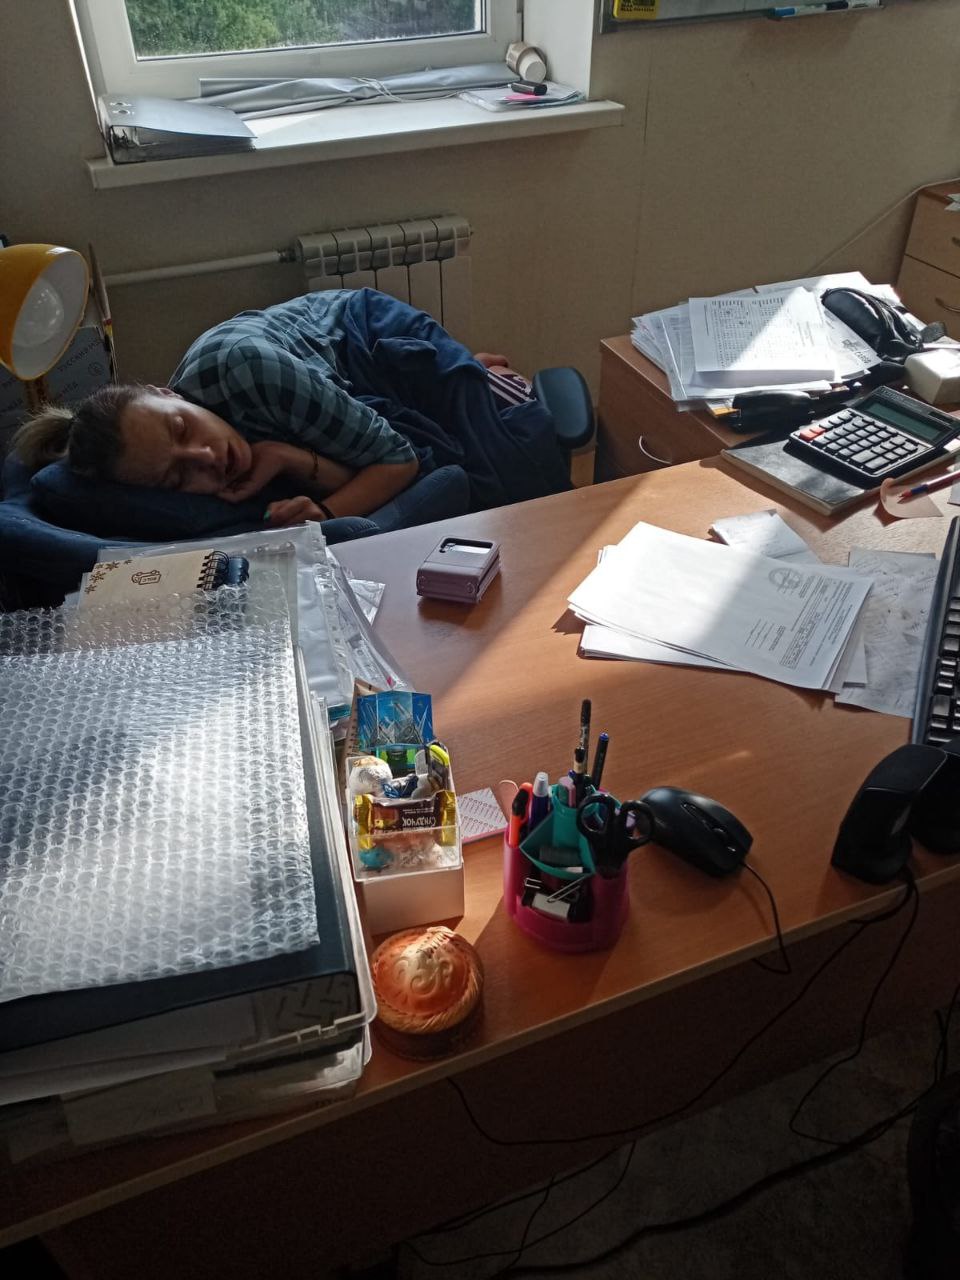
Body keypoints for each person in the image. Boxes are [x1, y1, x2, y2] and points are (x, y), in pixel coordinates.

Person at [12, 289, 530, 529]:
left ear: (167, 392)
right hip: (325, 390)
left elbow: (398, 460)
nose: (206, 457)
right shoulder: (201, 456)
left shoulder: (245, 369)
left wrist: (328, 513)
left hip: (363, 335)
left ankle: (471, 371)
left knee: (506, 483)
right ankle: (462, 371)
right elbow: (362, 468)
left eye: (182, 428)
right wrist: (287, 457)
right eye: (178, 476)